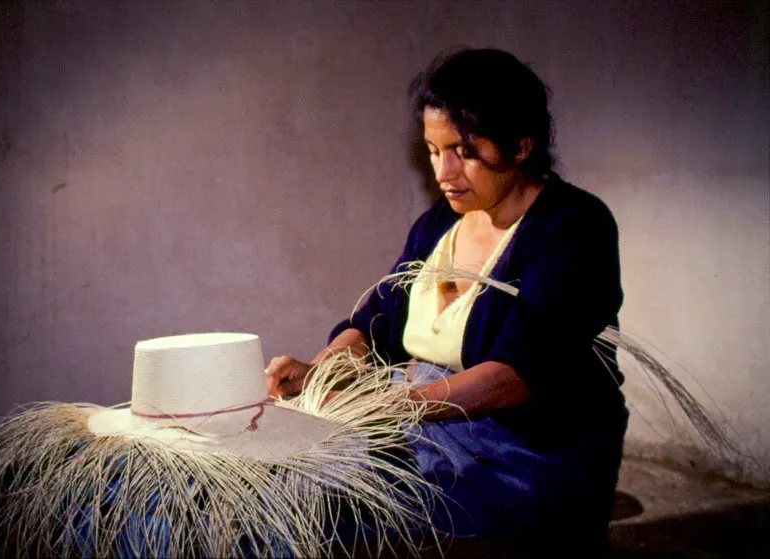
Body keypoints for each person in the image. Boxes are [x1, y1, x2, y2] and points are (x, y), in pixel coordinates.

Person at [266, 48, 628, 555]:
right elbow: (377, 321)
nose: (444, 171)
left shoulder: (572, 228)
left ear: (520, 146)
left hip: (524, 455)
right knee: (278, 489)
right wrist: (320, 372)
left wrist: (388, 406)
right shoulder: (442, 221)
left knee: (328, 514)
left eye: (463, 150)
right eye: (434, 151)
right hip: (431, 426)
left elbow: (517, 375)